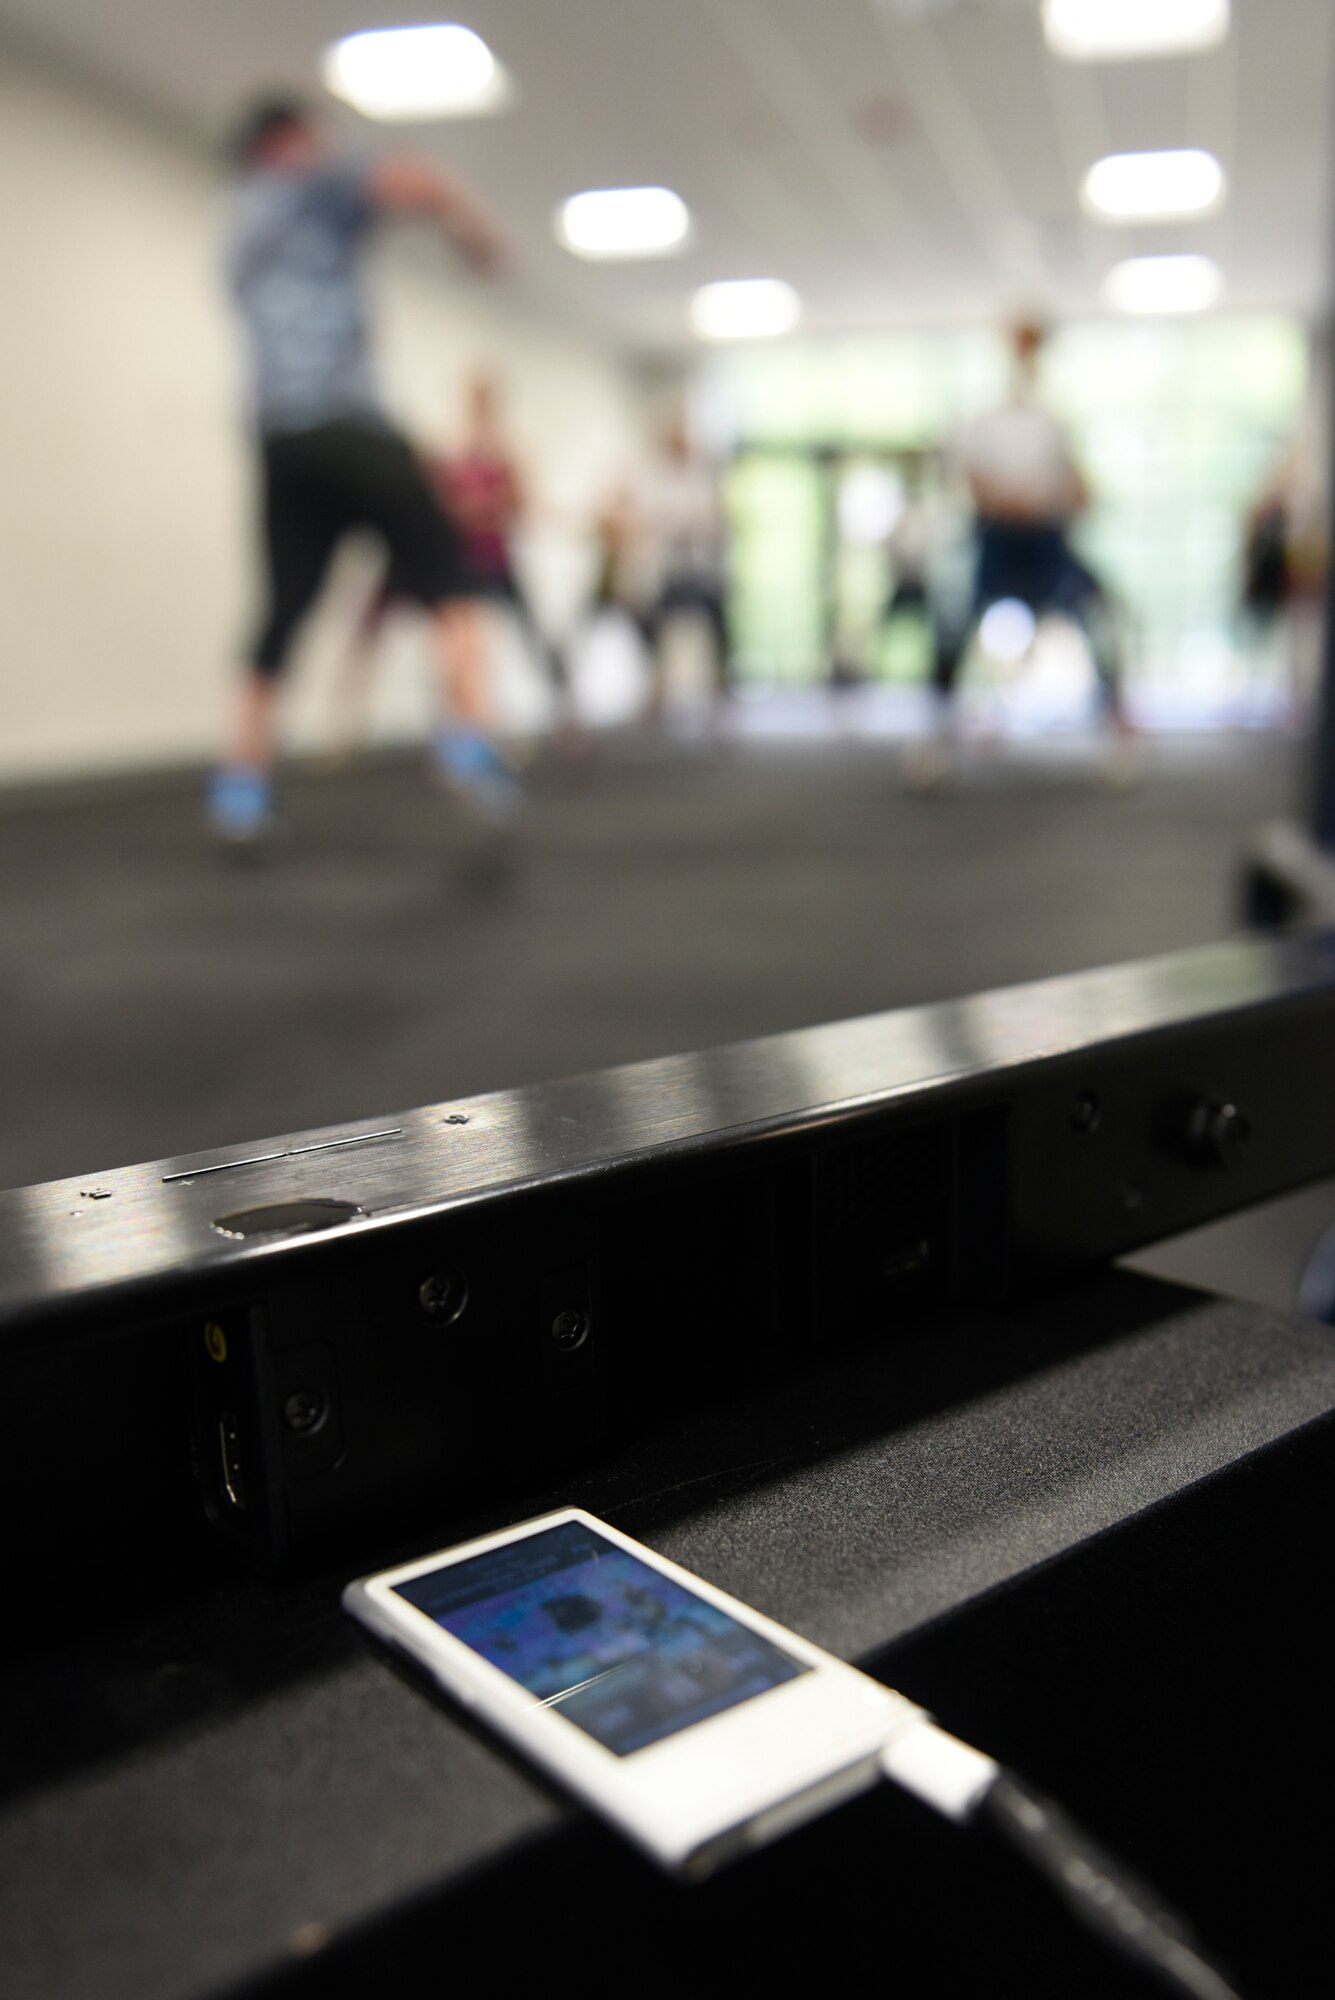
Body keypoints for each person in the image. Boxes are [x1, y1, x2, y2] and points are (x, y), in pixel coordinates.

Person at [208, 98, 514, 845]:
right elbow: (411, 180)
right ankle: (467, 740)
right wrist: (473, 232)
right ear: (286, 142)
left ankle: (240, 790)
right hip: (350, 424)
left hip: (279, 439)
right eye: (312, 138)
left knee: (280, 615)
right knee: (454, 584)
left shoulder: (238, 228)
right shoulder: (312, 183)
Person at [916, 320, 1133, 786]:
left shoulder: (1055, 423)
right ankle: (935, 741)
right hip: (999, 544)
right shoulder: (982, 423)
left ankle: (1118, 739)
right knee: (954, 630)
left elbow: (1079, 489)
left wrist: (1060, 500)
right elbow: (977, 487)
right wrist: (1023, 502)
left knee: (1098, 621)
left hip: (1048, 545)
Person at [640, 421, 732, 717]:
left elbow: (714, 522)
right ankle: (658, 688)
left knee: (717, 625)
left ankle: (721, 685)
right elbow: (656, 523)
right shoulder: (661, 482)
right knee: (660, 628)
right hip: (675, 568)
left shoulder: (700, 481)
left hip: (700, 569)